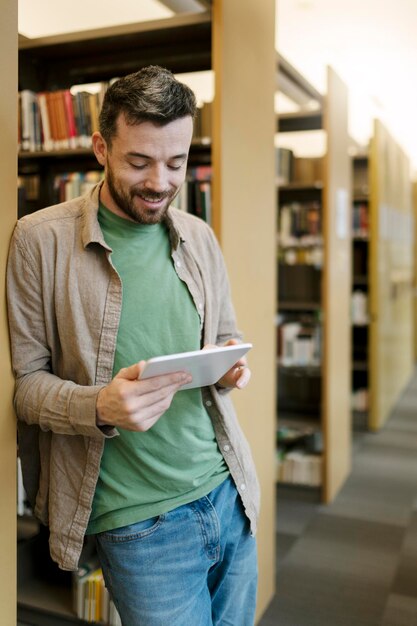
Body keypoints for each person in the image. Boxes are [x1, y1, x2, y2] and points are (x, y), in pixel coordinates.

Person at [8, 65, 260, 626]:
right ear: (101, 147)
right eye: (139, 161)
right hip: (139, 522)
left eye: (176, 162)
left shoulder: (198, 235)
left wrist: (227, 364)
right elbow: (25, 386)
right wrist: (98, 406)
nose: (160, 182)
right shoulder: (38, 241)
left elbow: (224, 336)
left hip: (228, 492)